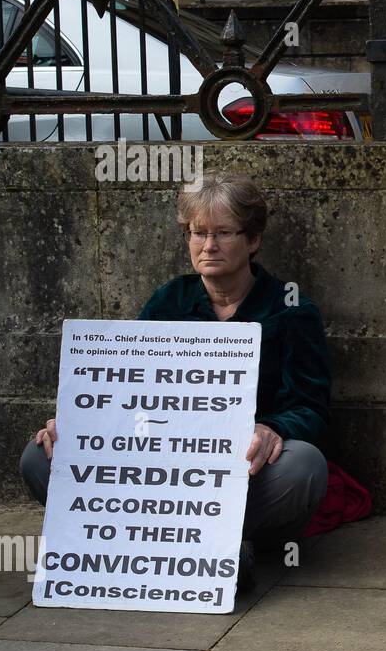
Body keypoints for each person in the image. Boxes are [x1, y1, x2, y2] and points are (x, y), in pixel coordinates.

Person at [19, 172, 332, 592]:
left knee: (304, 466)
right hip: (163, 469)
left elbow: (310, 406)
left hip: (242, 471)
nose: (208, 246)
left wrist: (274, 429)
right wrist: (78, 423)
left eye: (223, 233)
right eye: (197, 233)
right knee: (38, 457)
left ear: (253, 240)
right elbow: (124, 394)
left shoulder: (290, 309)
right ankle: (179, 543)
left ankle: (206, 542)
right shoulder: (169, 301)